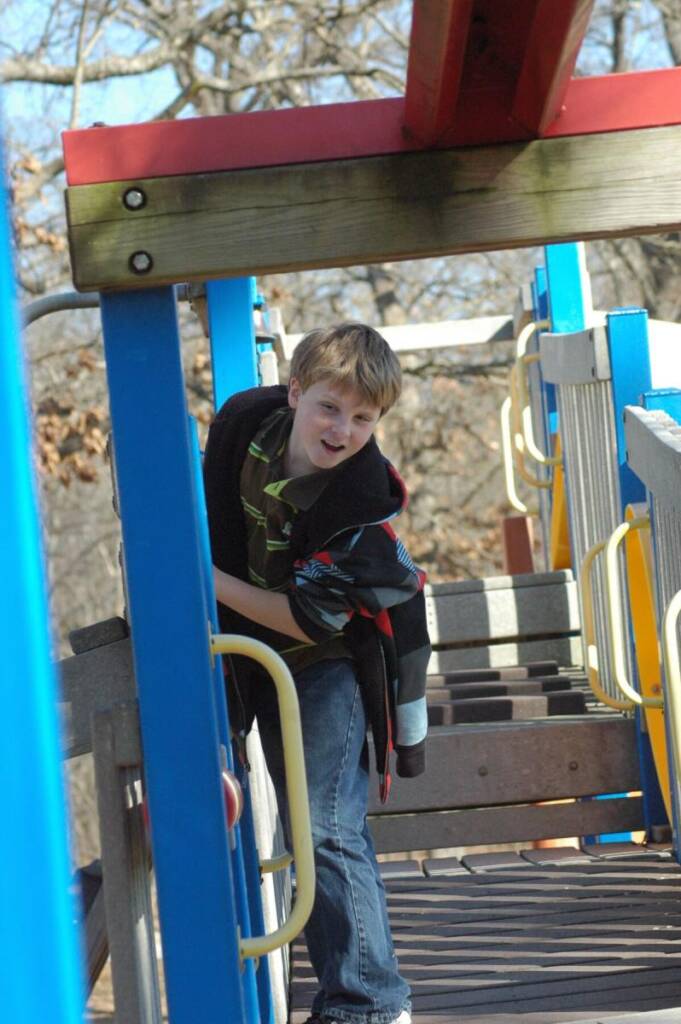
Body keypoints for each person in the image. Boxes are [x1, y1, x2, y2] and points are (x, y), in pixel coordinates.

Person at [203, 322, 430, 1024]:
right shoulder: (245, 425)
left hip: (326, 660)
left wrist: (201, 579)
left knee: (325, 825)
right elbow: (201, 501)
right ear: (294, 391)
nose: (341, 429)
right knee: (243, 799)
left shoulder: (357, 506)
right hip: (246, 652)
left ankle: (368, 1002)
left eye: (363, 418)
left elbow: (308, 620)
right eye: (329, 407)